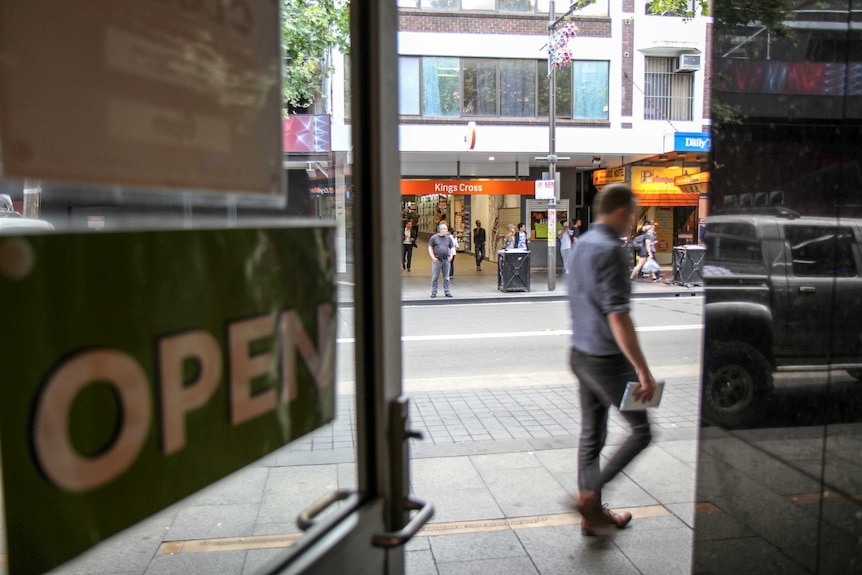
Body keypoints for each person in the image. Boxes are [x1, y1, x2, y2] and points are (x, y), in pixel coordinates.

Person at [567, 182, 657, 537]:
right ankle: (589, 500)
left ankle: (593, 517)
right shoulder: (613, 251)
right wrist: (643, 371)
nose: (633, 221)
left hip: (580, 355)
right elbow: (618, 316)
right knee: (642, 431)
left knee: (592, 435)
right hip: (607, 361)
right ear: (620, 212)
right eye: (633, 214)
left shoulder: (582, 244)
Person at [428, 222, 454, 298]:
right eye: (445, 229)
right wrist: (432, 256)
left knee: (446, 277)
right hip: (437, 260)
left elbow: (452, 247)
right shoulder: (434, 238)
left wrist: (451, 256)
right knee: (435, 277)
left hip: (446, 260)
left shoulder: (448, 238)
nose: (447, 230)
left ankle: (447, 291)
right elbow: (430, 247)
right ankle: (434, 291)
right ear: (441, 230)